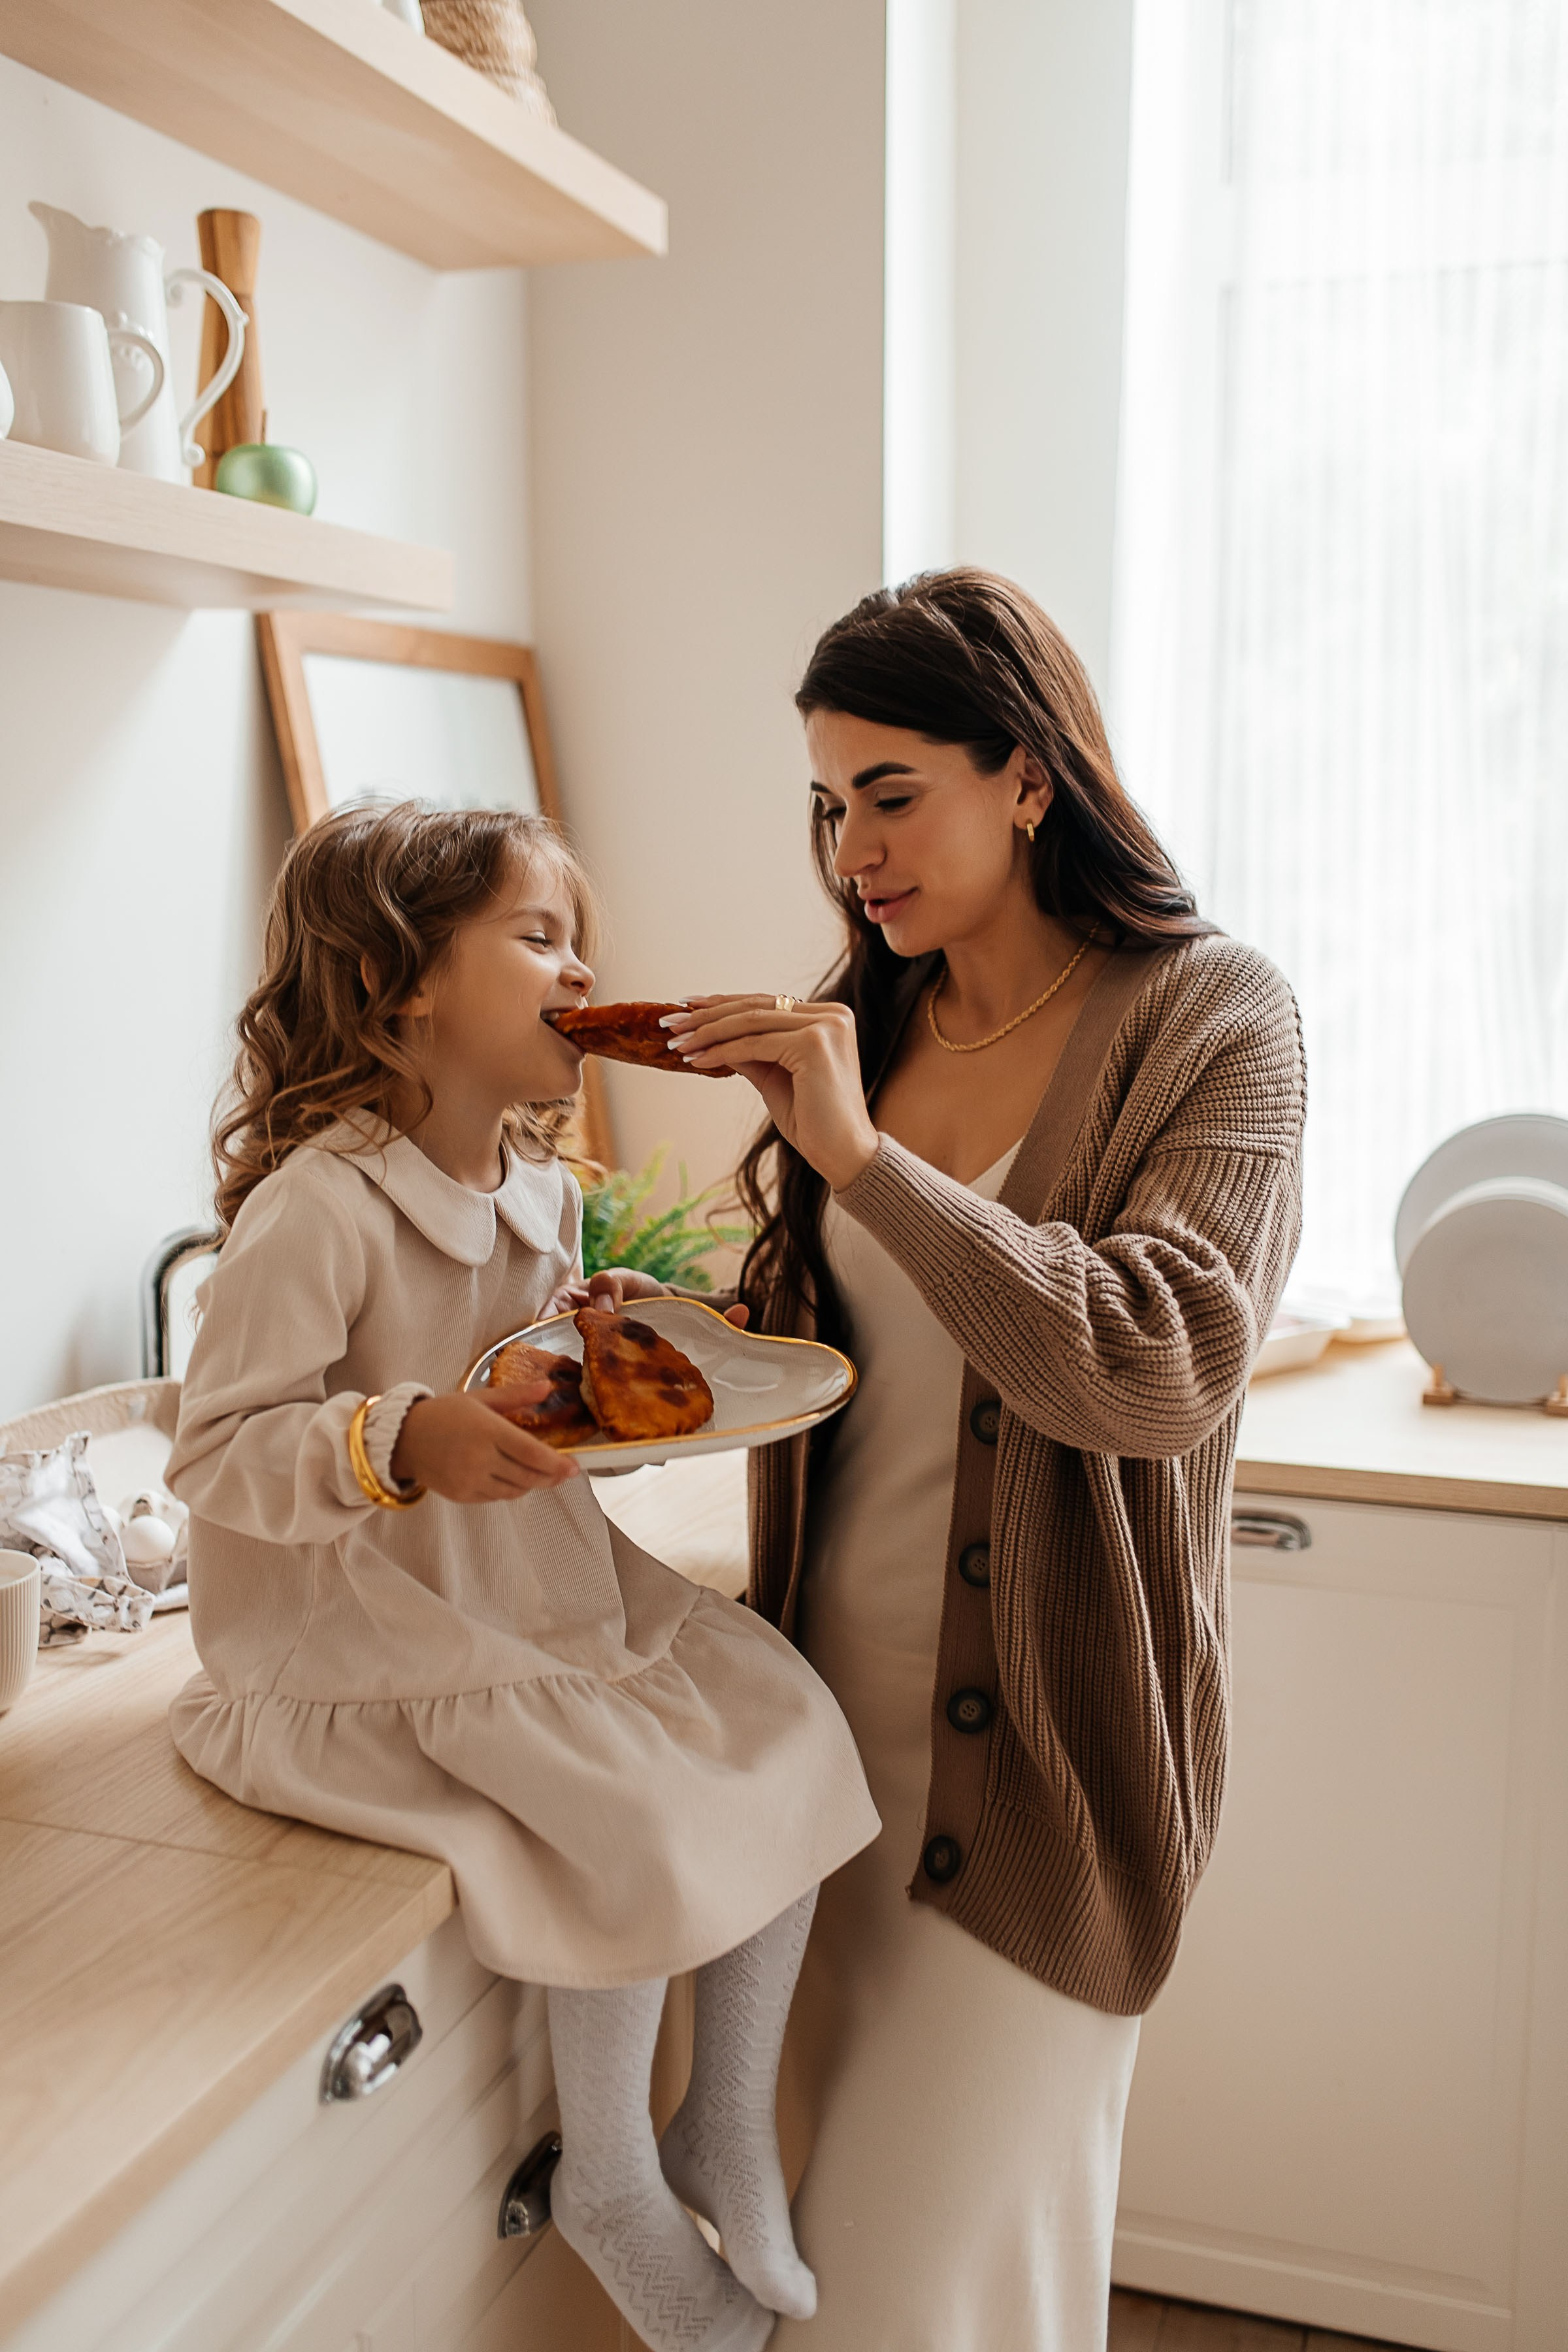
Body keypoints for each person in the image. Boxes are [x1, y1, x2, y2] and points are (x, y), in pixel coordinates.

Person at [598, 569, 1305, 2349]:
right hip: (816, 1759)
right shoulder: (877, 1021)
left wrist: (864, 1162)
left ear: (1029, 775)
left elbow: (1156, 1361)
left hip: (1041, 1776)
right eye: (830, 806)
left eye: (893, 794)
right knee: (817, 2279)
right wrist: (667, 1342)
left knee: (921, 2295)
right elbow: (864, 1359)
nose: (853, 853)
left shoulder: (1216, 1017)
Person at [164, 802, 880, 2352]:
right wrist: (397, 1436)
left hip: (532, 1587)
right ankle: (608, 2175)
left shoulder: (540, 1190)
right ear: (405, 983)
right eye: (540, 938)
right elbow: (216, 1452)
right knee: (630, 1810)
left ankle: (723, 2123)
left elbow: (526, 1383)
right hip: (371, 1633)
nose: (584, 972)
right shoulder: (320, 1209)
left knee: (788, 1722)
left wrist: (598, 1336)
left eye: (580, 941)